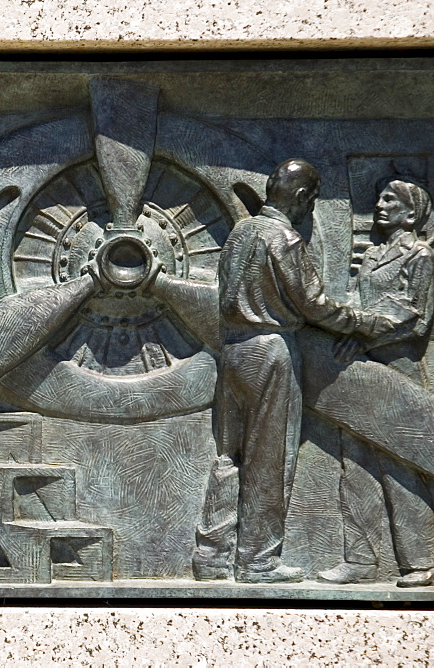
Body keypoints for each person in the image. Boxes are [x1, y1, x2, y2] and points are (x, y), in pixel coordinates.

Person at [192, 159, 395, 584]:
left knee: (228, 456)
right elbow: (314, 305)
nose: (312, 208)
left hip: (232, 352)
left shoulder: (241, 232)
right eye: (313, 199)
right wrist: (363, 322)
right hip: (269, 352)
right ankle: (257, 562)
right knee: (269, 459)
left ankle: (211, 556)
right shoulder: (282, 238)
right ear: (302, 197)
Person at [318, 179, 434, 587]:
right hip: (359, 363)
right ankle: (360, 559)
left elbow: (412, 313)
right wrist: (344, 320)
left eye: (391, 200)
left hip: (396, 367)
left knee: (399, 466)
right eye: (381, 198)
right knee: (354, 463)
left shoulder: (420, 254)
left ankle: (419, 561)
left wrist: (361, 332)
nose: (380, 205)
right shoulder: (373, 255)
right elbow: (357, 299)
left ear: (412, 212)